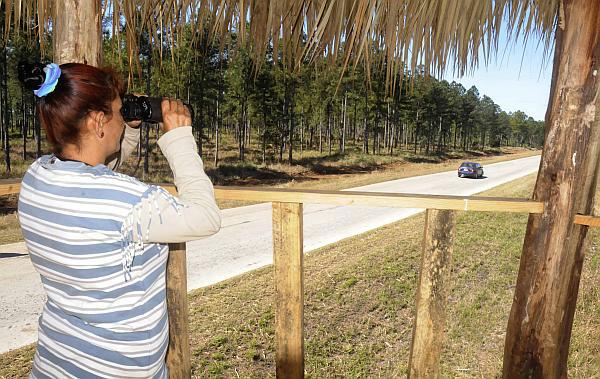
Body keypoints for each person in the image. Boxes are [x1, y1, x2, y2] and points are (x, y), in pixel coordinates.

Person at [17, 62, 221, 378]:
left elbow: (93, 177)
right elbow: (206, 217)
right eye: (117, 112)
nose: (122, 121)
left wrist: (130, 131)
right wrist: (179, 138)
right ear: (99, 121)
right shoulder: (127, 200)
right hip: (119, 370)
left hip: (56, 363)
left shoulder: (36, 177)